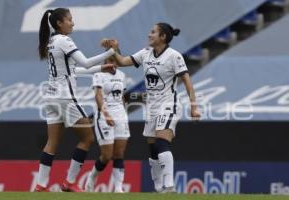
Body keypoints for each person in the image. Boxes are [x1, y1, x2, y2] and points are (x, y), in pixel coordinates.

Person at [101, 22, 200, 192]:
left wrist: (194, 107)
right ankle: (159, 188)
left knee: (162, 143)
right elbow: (123, 61)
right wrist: (113, 49)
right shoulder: (145, 53)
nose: (149, 35)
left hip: (169, 104)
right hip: (152, 107)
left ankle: (169, 186)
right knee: (153, 149)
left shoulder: (174, 56)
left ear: (162, 37)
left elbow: (187, 82)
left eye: (153, 32)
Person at [35, 8, 117, 192]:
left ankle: (41, 185)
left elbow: (75, 70)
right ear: (59, 23)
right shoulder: (64, 40)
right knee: (87, 138)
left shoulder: (51, 41)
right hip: (65, 97)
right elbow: (86, 62)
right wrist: (111, 51)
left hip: (50, 97)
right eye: (70, 20)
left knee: (52, 142)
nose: (73, 23)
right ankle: (69, 182)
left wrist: (102, 68)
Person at [75, 56, 130, 193]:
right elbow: (98, 96)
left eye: (114, 60)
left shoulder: (122, 75)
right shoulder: (98, 75)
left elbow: (121, 96)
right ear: (105, 62)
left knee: (119, 154)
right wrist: (106, 114)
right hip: (104, 116)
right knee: (106, 156)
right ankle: (92, 177)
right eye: (109, 60)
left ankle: (118, 188)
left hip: (121, 116)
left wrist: (123, 114)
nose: (112, 63)